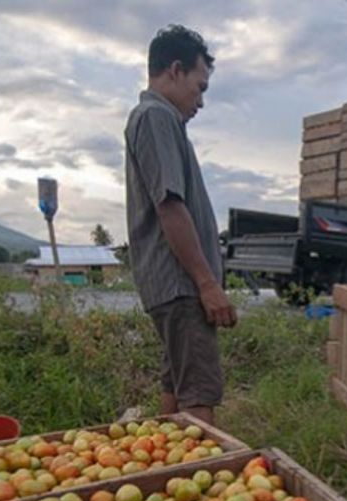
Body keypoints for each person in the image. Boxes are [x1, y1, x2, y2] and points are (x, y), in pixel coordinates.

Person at [125, 24, 236, 427]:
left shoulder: (159, 120)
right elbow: (170, 206)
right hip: (181, 286)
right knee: (198, 396)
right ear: (175, 70)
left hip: (174, 286)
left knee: (176, 384)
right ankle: (206, 481)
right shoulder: (156, 116)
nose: (201, 101)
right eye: (200, 86)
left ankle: (156, 470)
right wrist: (207, 284)